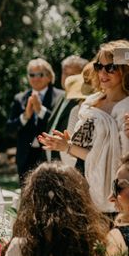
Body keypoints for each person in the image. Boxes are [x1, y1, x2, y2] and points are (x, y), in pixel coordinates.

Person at [39, 40, 129, 213]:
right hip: (83, 182)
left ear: (125, 71)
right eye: (99, 66)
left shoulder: (125, 108)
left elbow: (116, 159)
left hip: (111, 193)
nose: (103, 72)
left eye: (111, 67)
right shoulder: (90, 102)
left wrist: (68, 147)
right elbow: (90, 154)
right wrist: (66, 146)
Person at [6, 58, 65, 183]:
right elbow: (9, 129)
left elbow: (61, 124)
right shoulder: (20, 98)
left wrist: (41, 111)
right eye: (32, 75)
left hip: (49, 154)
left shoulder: (60, 97)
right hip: (26, 156)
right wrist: (25, 116)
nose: (35, 78)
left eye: (40, 74)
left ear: (49, 76)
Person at [45, 55, 89, 162]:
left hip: (71, 164)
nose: (67, 78)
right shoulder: (60, 96)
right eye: (65, 72)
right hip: (52, 163)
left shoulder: (82, 101)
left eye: (72, 74)